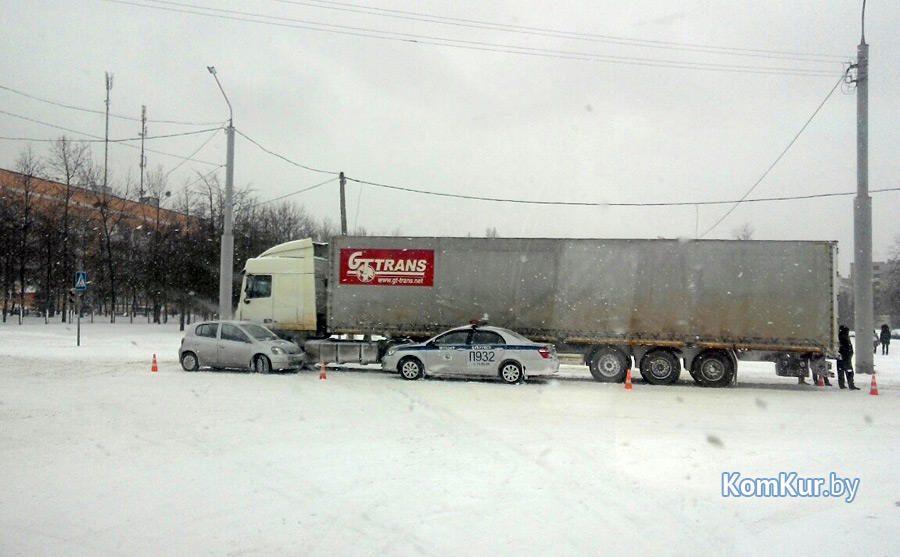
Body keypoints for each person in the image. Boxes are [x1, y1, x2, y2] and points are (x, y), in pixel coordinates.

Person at [837, 325, 859, 390]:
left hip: (840, 357)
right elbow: (847, 348)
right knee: (849, 371)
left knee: (840, 371)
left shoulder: (839, 337)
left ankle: (841, 384)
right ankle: (851, 384)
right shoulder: (844, 338)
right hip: (845, 357)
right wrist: (849, 354)